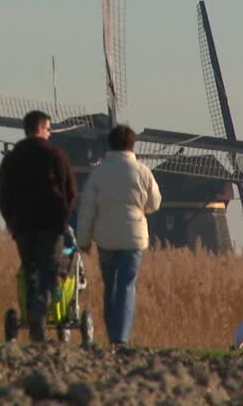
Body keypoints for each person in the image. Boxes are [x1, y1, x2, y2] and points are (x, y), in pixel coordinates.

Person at [75, 124, 161, 346]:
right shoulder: (143, 172)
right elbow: (154, 203)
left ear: (109, 145)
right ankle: (121, 338)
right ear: (132, 145)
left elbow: (87, 210)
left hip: (106, 238)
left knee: (110, 285)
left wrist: (83, 240)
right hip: (133, 238)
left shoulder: (99, 172)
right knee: (126, 285)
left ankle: (113, 333)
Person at [0, 110, 78, 342]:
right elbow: (70, 190)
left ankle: (36, 323)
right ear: (41, 129)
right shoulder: (55, 154)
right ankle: (41, 326)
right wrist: (63, 218)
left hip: (23, 225)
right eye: (49, 129)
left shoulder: (12, 157)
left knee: (30, 272)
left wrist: (11, 221)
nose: (50, 133)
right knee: (49, 271)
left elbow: (3, 192)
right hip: (51, 224)